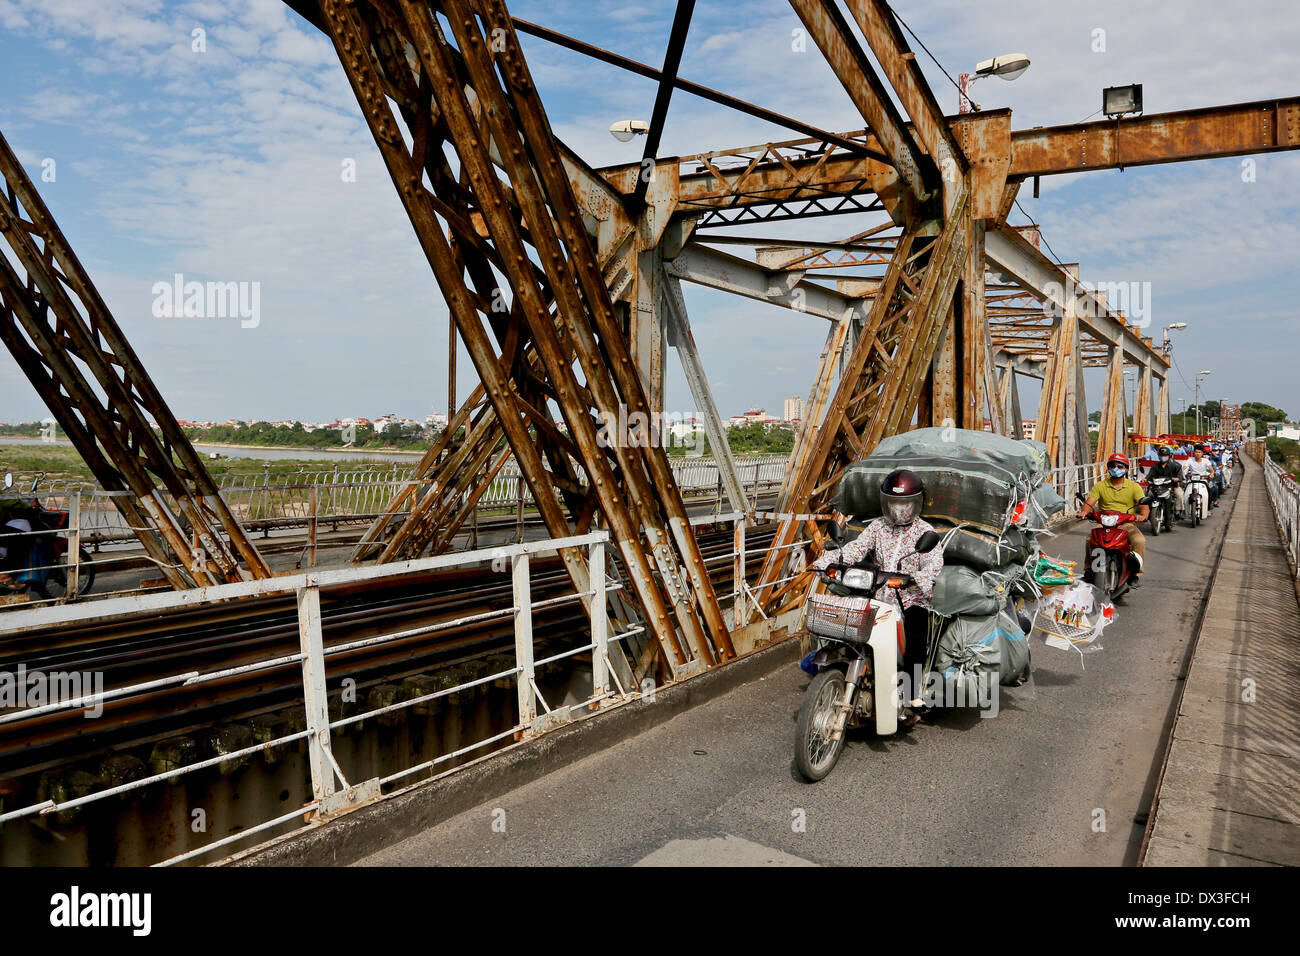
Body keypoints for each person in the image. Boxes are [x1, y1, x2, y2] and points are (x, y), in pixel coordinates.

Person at [812, 468, 943, 674]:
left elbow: (934, 563)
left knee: (916, 634)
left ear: (916, 503)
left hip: (910, 598)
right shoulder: (878, 526)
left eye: (904, 503)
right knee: (847, 622)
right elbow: (856, 548)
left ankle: (912, 690)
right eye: (894, 503)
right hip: (878, 593)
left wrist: (914, 578)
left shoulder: (925, 531)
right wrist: (826, 561)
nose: (898, 509)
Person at [1078, 453, 1149, 585]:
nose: (1115, 468)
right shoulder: (1100, 485)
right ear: (1108, 468)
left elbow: (1143, 504)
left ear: (1126, 469)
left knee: (1139, 541)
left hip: (1126, 523)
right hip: (1104, 523)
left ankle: (1135, 574)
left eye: (1120, 466)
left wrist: (1143, 515)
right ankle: (1088, 571)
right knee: (1090, 539)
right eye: (1112, 466)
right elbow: (1090, 503)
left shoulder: (1134, 487)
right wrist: (1083, 512)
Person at [1145, 445, 1185, 524]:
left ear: (1169, 455)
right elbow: (1150, 475)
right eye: (1161, 455)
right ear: (1158, 456)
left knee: (1179, 494)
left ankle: (1177, 512)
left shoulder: (1176, 466)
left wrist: (1176, 479)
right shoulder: (1155, 467)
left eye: (1165, 455)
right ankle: (1147, 513)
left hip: (1171, 487)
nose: (1163, 457)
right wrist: (1145, 479)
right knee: (1148, 495)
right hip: (1157, 487)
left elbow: (1180, 476)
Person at [1183, 446, 1216, 515]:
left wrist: (1211, 474)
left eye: (1199, 452)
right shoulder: (1190, 460)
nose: (1197, 454)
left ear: (1202, 453)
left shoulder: (1206, 461)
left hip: (1203, 479)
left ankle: (1208, 508)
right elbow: (1184, 468)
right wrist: (1183, 472)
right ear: (1193, 453)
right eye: (1196, 452)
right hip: (1192, 480)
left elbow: (1212, 470)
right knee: (1184, 490)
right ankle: (1184, 509)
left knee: (1211, 490)